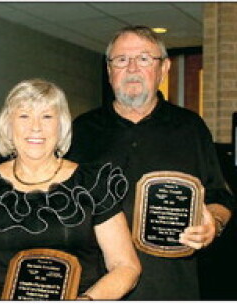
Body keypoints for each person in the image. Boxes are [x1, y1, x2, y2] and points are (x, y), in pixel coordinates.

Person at [67, 25, 234, 300]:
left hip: (171, 287)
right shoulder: (81, 131)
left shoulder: (190, 128)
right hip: (95, 289)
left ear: (164, 68)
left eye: (144, 58)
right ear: (110, 71)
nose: (132, 67)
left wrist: (212, 224)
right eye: (121, 60)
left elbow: (220, 196)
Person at [0, 79, 141, 300]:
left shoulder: (93, 184)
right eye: (24, 116)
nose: (35, 127)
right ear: (8, 125)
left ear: (61, 125)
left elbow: (125, 266)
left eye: (47, 117)